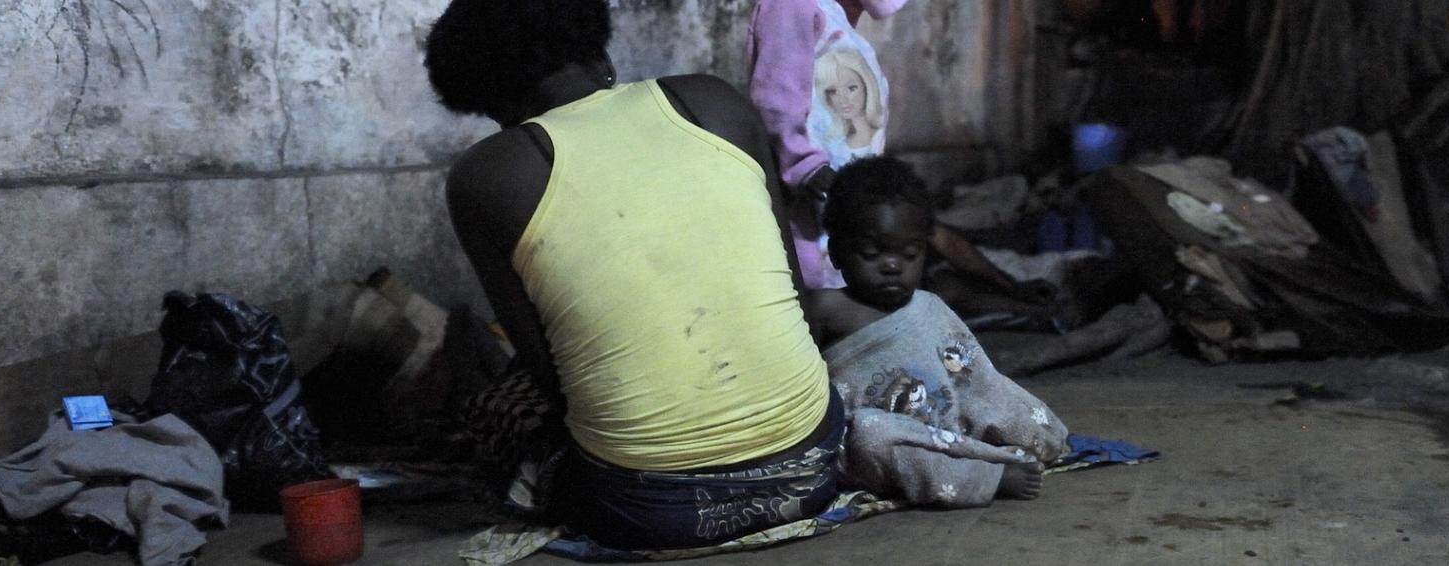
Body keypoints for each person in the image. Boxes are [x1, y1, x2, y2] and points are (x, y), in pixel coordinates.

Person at [424, 0, 842, 550]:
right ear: (600, 52)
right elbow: (797, 296)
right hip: (813, 467)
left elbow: (550, 377)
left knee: (501, 403)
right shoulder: (712, 102)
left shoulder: (488, 174)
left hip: (647, 510)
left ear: (491, 101)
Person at [750, 0, 1060, 321]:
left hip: (851, 219)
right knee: (848, 311)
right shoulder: (791, 5)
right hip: (817, 234)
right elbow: (777, 97)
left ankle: (1027, 309)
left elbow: (927, 230)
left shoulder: (842, 31)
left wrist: (1011, 286)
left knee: (911, 281)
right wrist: (805, 165)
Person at [802, 156, 1068, 507]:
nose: (893, 265)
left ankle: (1002, 448)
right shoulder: (825, 309)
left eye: (909, 254)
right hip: (887, 442)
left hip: (949, 427)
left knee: (1010, 405)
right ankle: (983, 476)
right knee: (869, 436)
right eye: (871, 253)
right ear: (837, 254)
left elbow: (977, 382)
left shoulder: (929, 307)